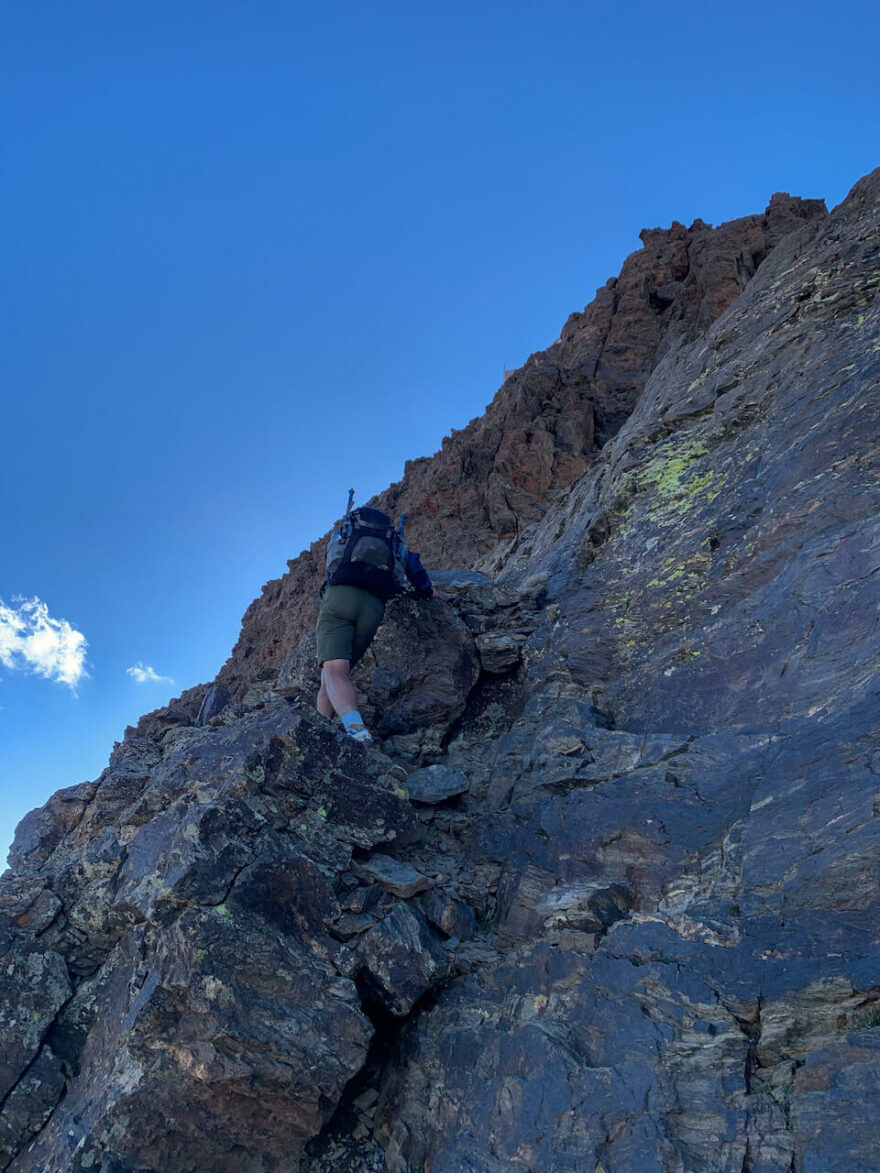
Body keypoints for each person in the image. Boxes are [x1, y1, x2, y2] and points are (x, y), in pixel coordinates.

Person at [315, 497, 433, 744]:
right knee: (336, 671)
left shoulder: (346, 534)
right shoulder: (392, 541)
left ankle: (355, 728)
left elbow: (332, 561)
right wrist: (427, 591)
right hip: (374, 606)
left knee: (335, 669)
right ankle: (321, 724)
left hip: (340, 597)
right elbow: (413, 565)